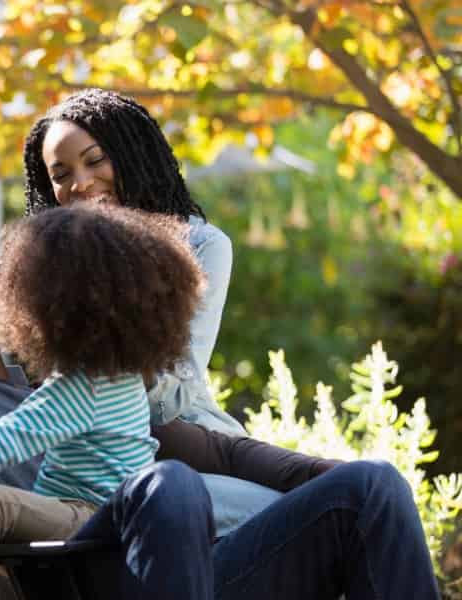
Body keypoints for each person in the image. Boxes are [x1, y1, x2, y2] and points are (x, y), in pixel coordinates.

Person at [0, 247, 438, 599]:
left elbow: (213, 449)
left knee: (373, 486)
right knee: (167, 485)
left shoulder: (68, 377)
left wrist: (320, 472)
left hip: (199, 569)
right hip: (81, 576)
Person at [0, 204, 206, 600]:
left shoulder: (93, 384)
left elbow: (3, 441)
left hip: (97, 519)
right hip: (63, 511)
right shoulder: (90, 374)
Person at [22, 88, 276, 533]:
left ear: (132, 153)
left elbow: (174, 395)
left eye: (95, 160)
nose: (80, 183)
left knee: (306, 509)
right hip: (91, 470)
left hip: (194, 447)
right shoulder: (45, 269)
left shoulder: (201, 246)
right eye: (60, 174)